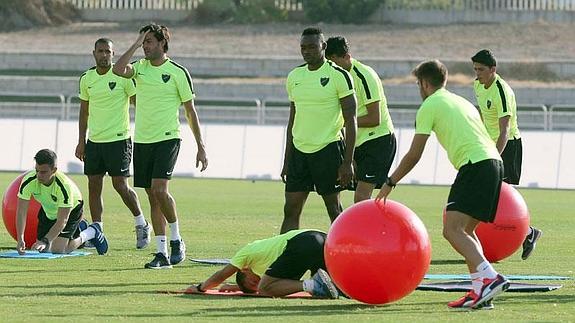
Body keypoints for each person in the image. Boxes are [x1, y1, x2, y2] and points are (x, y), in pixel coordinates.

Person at [376, 60, 509, 309]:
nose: (419, 89)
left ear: (425, 84)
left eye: (418, 84)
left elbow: (415, 154)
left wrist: (390, 181)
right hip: (494, 163)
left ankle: (490, 278)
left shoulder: (430, 104)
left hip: (476, 165)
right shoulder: (460, 100)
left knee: (452, 229)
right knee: (466, 231)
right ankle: (481, 290)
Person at [113, 23, 208, 269]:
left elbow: (190, 111)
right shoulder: (140, 69)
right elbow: (117, 69)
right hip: (143, 140)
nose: (146, 46)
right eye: (144, 42)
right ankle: (161, 253)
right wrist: (134, 43)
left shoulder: (178, 72)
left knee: (159, 189)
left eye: (149, 42)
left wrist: (201, 145)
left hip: (168, 138)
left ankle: (177, 239)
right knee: (152, 197)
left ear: (162, 44)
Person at [76, 37, 151, 250]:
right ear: (94, 53)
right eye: (100, 51)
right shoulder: (86, 78)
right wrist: (81, 141)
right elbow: (83, 111)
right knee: (94, 186)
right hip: (95, 142)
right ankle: (97, 230)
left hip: (119, 140)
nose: (104, 55)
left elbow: (139, 103)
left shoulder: (123, 77)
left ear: (113, 54)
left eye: (108, 52)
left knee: (120, 185)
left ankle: (141, 222)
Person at [280, 27, 357, 233]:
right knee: (291, 209)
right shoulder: (295, 76)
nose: (307, 51)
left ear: (323, 46)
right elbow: (292, 120)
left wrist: (347, 162)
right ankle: (286, 259)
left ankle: (344, 257)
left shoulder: (339, 75)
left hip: (328, 150)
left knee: (334, 209)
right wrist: (287, 160)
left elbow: (351, 120)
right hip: (299, 152)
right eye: (303, 47)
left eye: (312, 47)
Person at [471, 49, 542, 260]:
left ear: (493, 69)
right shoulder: (477, 85)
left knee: (501, 198)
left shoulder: (502, 91)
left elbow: (504, 130)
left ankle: (528, 232)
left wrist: (494, 156)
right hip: (489, 145)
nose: (477, 73)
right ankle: (527, 233)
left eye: (481, 69)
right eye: (475, 69)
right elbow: (483, 117)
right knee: (489, 195)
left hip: (507, 146)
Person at [325, 36, 396, 202]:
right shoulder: (335, 77)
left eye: (334, 62)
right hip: (356, 142)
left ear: (347, 57)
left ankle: (370, 228)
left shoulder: (364, 75)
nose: (331, 67)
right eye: (329, 63)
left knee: (361, 197)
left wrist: (343, 123)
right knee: (334, 188)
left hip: (378, 140)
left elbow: (374, 118)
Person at [185, 229, 339, 298]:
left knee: (266, 288)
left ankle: (314, 284)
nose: (257, 283)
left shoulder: (245, 254)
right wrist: (237, 287)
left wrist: (200, 288)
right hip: (320, 238)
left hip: (303, 242)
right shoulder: (267, 268)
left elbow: (222, 274)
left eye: (253, 281)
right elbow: (277, 283)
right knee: (338, 289)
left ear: (244, 270)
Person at [16, 149, 108, 255]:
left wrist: (45, 240)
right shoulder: (28, 181)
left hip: (72, 209)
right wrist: (20, 238)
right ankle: (80, 226)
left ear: (54, 170)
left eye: (43, 172)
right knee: (43, 250)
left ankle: (92, 231)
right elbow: (21, 212)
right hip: (49, 210)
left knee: (58, 250)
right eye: (37, 170)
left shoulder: (64, 186)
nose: (39, 175)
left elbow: (62, 221)